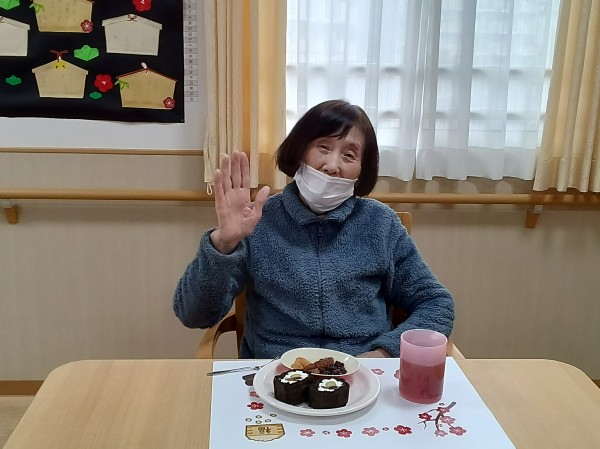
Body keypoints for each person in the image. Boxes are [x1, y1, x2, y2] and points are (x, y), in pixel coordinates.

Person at [173, 99, 454, 358]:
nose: (332, 166)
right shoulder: (258, 221)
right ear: (300, 151)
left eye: (349, 155)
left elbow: (435, 302)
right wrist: (223, 243)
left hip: (362, 373)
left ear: (362, 170)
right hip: (276, 374)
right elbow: (193, 315)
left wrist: (385, 352)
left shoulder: (381, 224)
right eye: (323, 147)